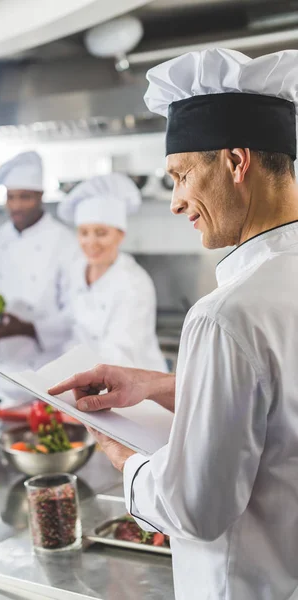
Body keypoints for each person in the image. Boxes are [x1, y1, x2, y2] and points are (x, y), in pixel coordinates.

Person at [49, 48, 298, 600]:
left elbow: (195, 508)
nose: (176, 201)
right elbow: (283, 413)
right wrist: (161, 385)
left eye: (182, 175)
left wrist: (124, 457)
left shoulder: (225, 316)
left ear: (237, 162)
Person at [0, 151, 79, 403]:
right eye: (11, 197)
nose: (17, 205)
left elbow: (76, 314)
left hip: (50, 374)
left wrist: (30, 328)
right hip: (3, 379)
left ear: (40, 196)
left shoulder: (66, 243)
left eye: (25, 197)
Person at [57, 172, 166, 371]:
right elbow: (68, 329)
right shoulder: (74, 271)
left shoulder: (134, 283)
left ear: (120, 234)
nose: (91, 243)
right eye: (84, 233)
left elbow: (119, 355)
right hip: (86, 380)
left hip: (134, 391)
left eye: (101, 233)